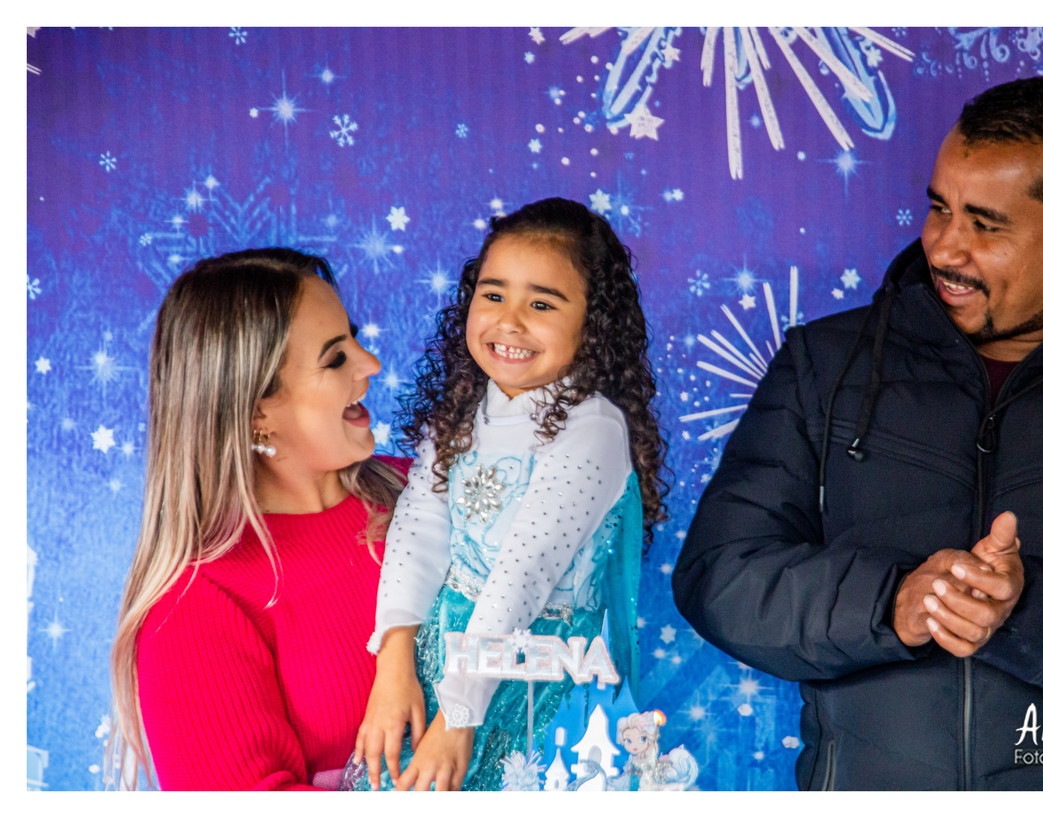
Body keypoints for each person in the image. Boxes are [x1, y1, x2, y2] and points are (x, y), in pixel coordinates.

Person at [673, 77, 1043, 790]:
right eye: (940, 209)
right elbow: (721, 575)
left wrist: (1028, 611)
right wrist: (894, 603)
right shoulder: (827, 364)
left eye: (986, 225)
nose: (944, 248)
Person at [345, 197, 667, 792]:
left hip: (528, 672)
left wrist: (460, 712)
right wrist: (394, 657)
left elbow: (525, 571)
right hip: (443, 650)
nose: (510, 321)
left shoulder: (593, 429)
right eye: (493, 295)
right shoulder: (462, 411)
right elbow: (418, 527)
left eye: (541, 304)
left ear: (593, 322)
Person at [109, 248, 409, 790]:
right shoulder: (198, 602)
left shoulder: (431, 490)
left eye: (354, 338)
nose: (371, 364)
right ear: (255, 412)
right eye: (335, 358)